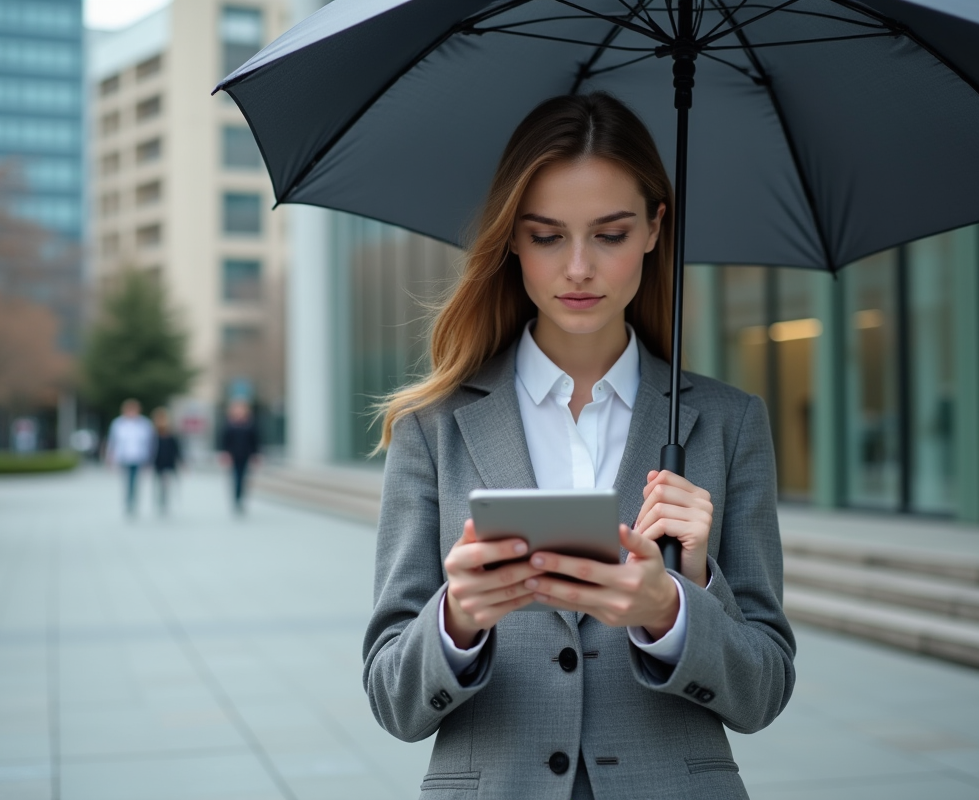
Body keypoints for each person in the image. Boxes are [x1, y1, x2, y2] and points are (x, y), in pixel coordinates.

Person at [363, 93, 795, 799]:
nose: (578, 269)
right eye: (546, 236)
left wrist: (674, 610)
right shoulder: (433, 429)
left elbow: (765, 688)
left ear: (657, 228)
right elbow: (391, 697)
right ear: (512, 239)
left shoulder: (727, 423)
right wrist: (458, 618)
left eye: (611, 234)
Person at [106, 399, 155, 516]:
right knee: (126, 481)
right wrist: (109, 457)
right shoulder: (118, 423)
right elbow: (112, 441)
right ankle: (128, 502)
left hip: (139, 457)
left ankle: (132, 502)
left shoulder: (144, 424)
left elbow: (150, 443)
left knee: (134, 481)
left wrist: (150, 459)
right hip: (124, 457)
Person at [219, 399, 260, 514]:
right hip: (233, 455)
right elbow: (224, 441)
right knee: (236, 477)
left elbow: (255, 441)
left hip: (246, 454)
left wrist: (255, 454)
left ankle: (241, 498)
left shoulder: (249, 424)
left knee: (243, 478)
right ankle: (236, 499)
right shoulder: (229, 424)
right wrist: (225, 453)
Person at [151, 407, 184, 514]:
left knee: (167, 483)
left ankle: (165, 501)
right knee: (160, 483)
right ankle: (161, 500)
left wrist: (181, 462)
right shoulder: (153, 434)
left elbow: (176, 449)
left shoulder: (171, 434)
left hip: (169, 462)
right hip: (158, 463)